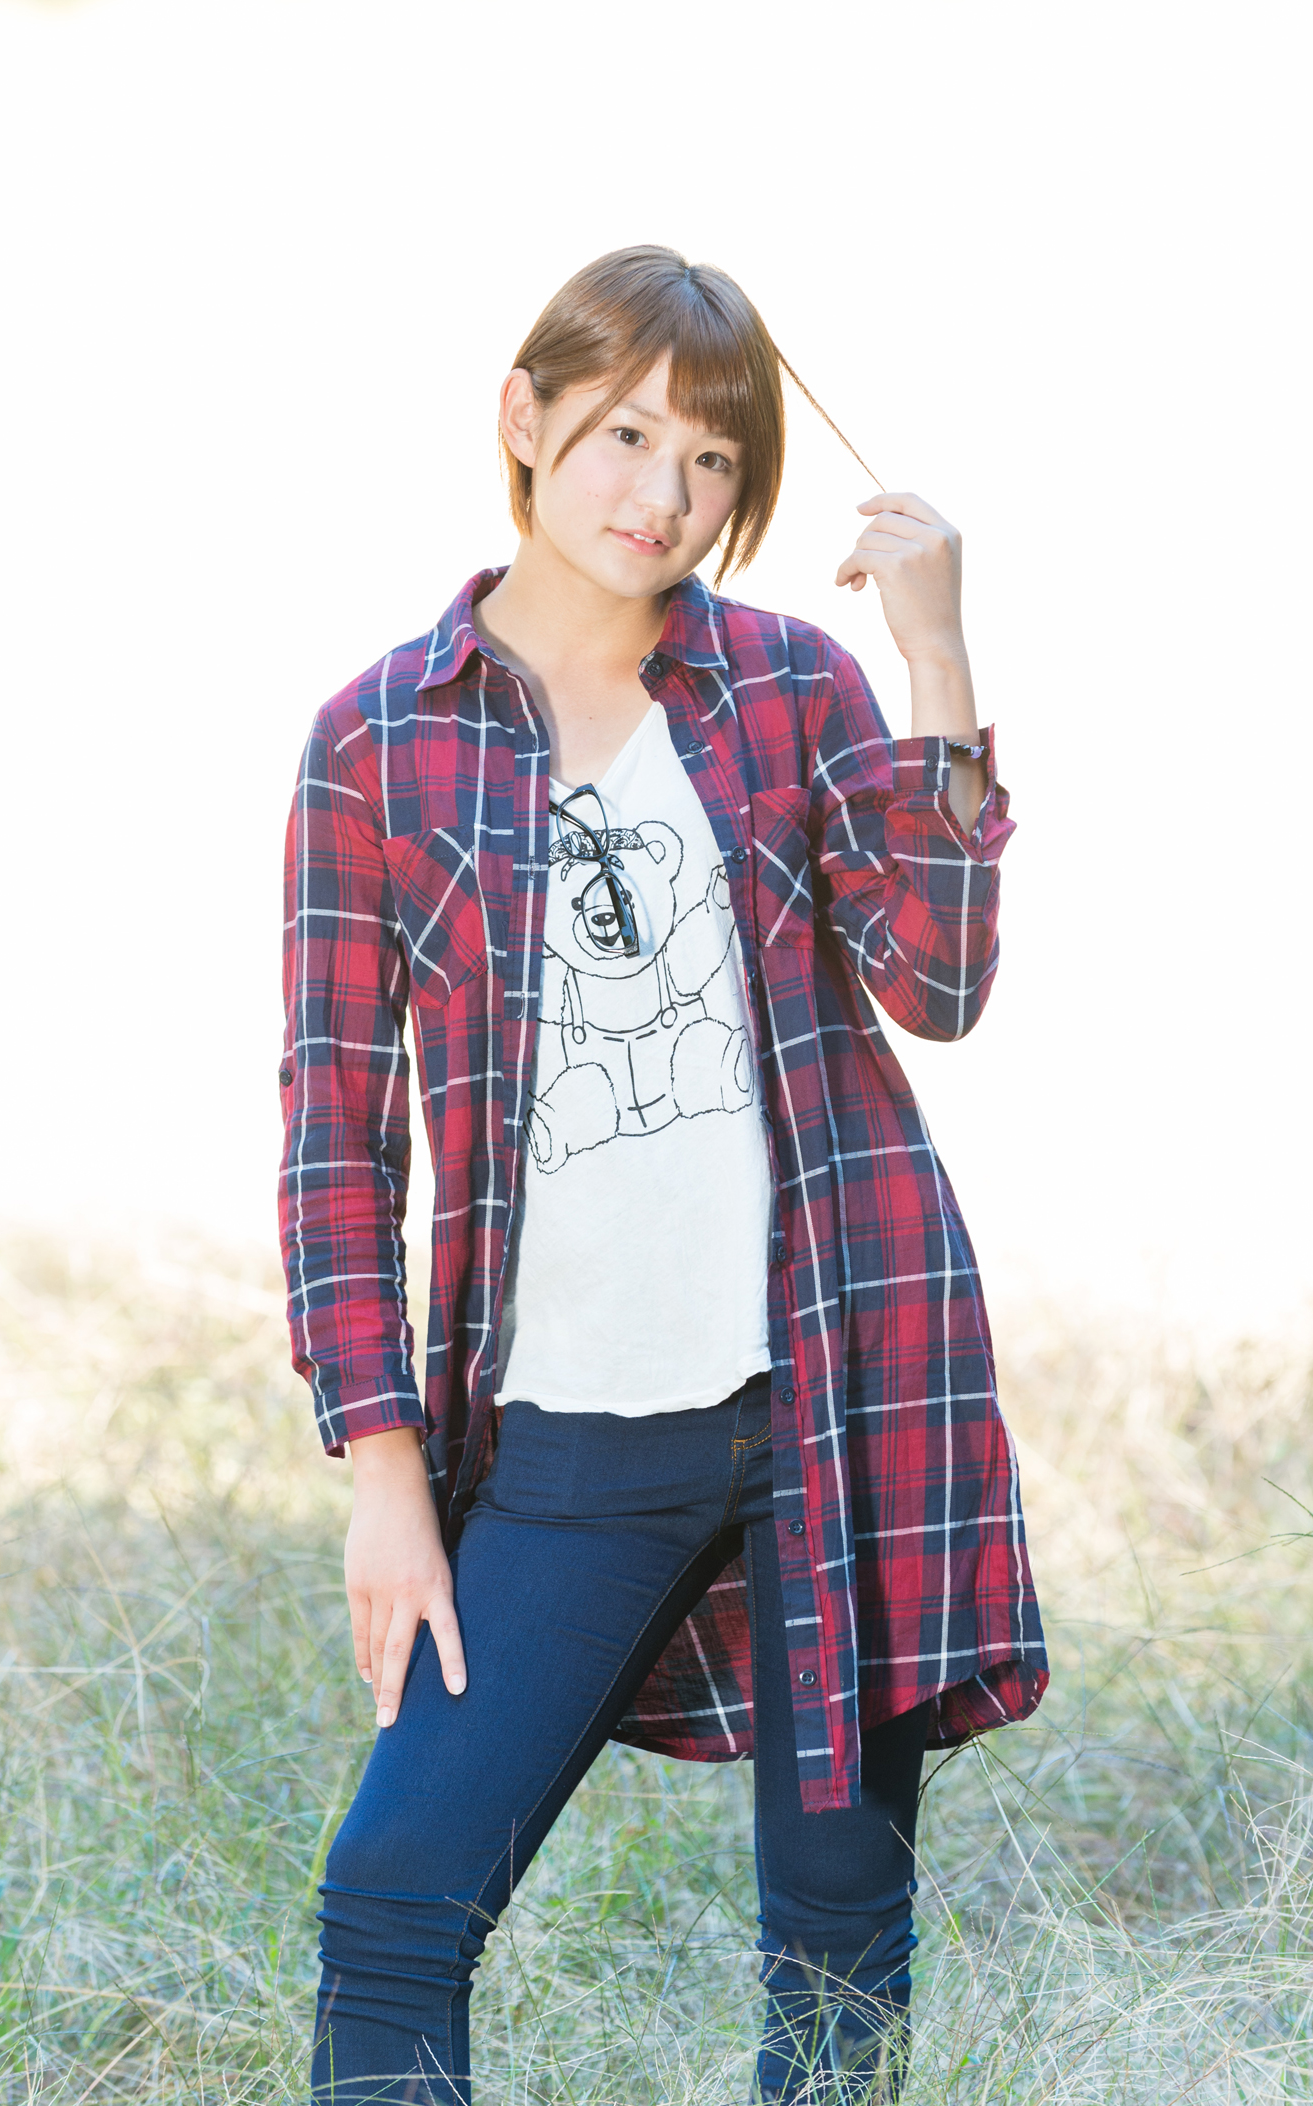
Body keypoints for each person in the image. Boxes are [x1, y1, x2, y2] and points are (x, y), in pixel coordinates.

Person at [278, 245, 1048, 2105]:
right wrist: (385, 1470)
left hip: (835, 1390)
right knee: (392, 1902)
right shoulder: (380, 739)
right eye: (626, 433)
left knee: (838, 1945)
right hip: (568, 1433)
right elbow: (333, 1128)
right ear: (526, 419)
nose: (664, 492)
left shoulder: (789, 686)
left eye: (713, 459)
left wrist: (938, 662)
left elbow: (940, 982)